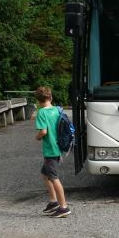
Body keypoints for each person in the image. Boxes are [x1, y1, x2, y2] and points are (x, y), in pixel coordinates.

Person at [34, 86, 71, 218]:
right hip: (58, 148)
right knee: (45, 173)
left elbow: (43, 131)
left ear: (39, 101)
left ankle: (63, 207)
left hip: (50, 150)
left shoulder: (41, 113)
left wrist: (37, 137)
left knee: (54, 178)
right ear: (51, 98)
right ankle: (53, 201)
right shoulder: (57, 110)